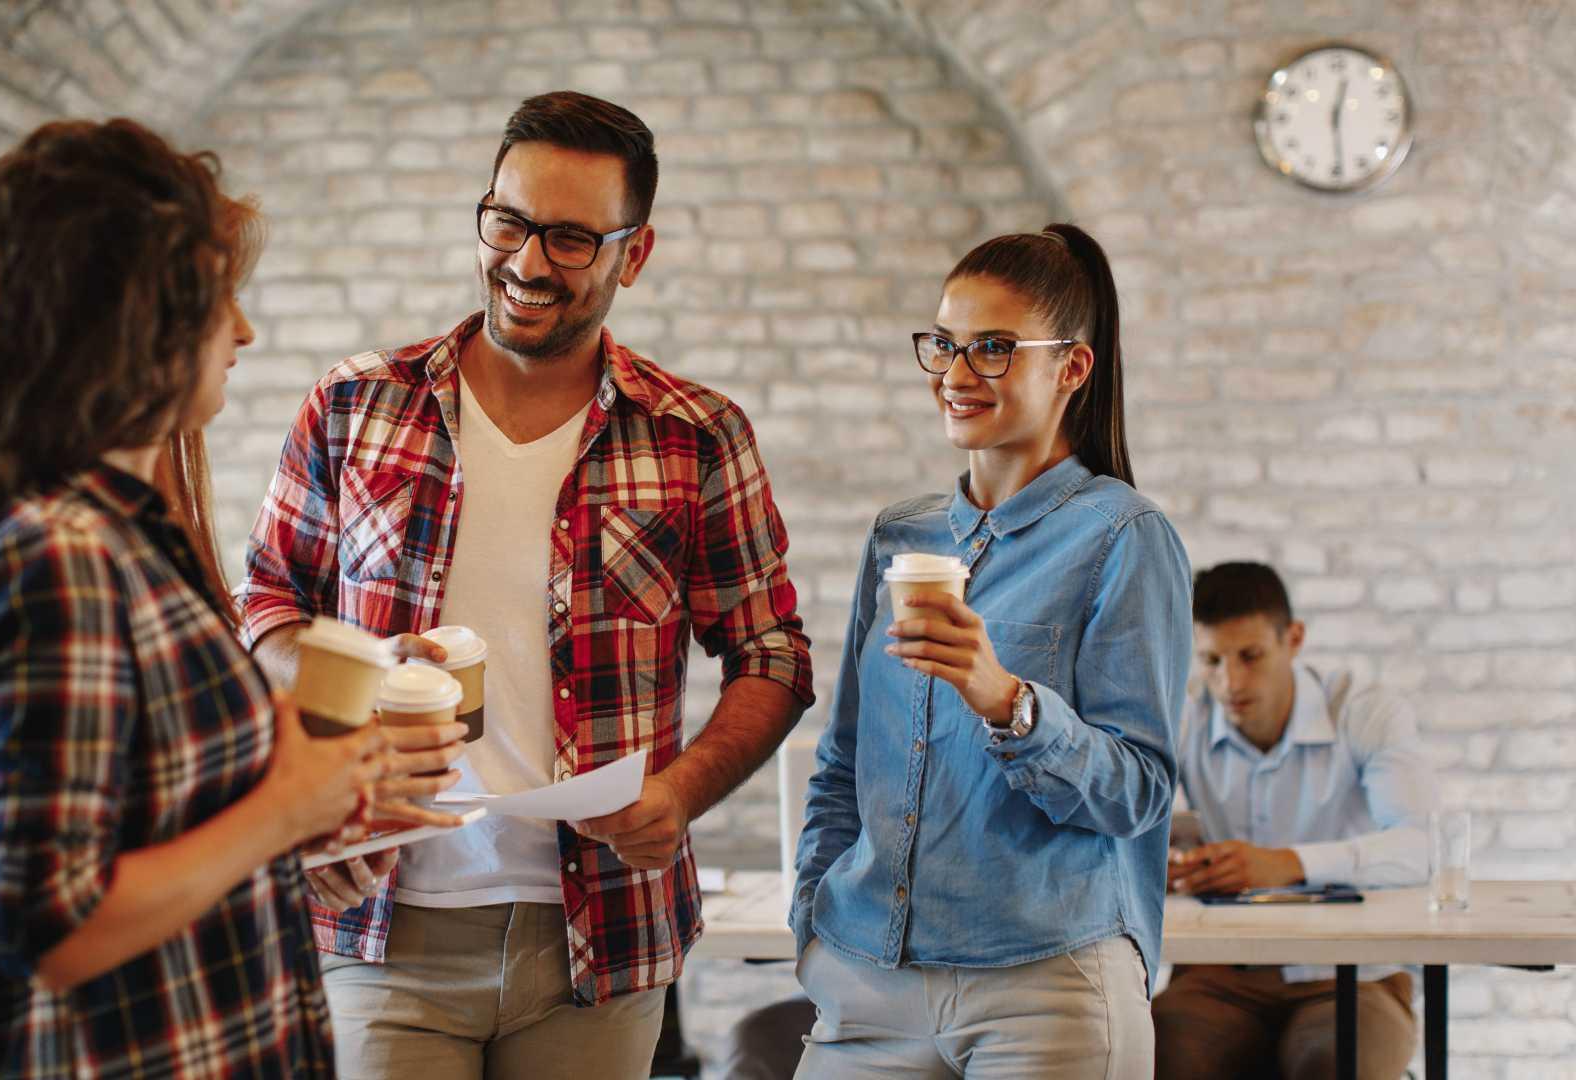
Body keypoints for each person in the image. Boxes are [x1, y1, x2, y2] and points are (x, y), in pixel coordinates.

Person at [236, 90, 814, 1078]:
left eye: (571, 238)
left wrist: (680, 793)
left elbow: (771, 655)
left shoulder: (696, 435)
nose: (528, 262)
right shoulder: (354, 405)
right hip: (379, 920)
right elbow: (267, 605)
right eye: (508, 221)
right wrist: (356, 667)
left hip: (601, 941)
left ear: (635, 254)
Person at [0, 118, 464, 1077]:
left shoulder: (128, 539)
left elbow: (160, 827)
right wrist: (285, 807)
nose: (243, 328)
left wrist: (313, 837)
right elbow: (53, 923)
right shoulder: (59, 558)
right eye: (216, 297)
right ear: (128, 315)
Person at [790, 225, 1190, 1078]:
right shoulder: (901, 535)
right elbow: (846, 758)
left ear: (1071, 368)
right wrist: (813, 923)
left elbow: (1142, 794)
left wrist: (1007, 700)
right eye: (944, 344)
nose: (957, 375)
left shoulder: (1124, 537)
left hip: (1045, 989)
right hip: (867, 979)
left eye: (995, 349)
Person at [1156, 561, 1433, 1080]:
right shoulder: (1185, 717)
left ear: (1295, 638)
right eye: (1211, 660)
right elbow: (1122, 823)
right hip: (1218, 978)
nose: (1229, 681)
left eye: (1250, 656)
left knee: (1331, 1062)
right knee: (1158, 1058)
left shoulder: (1364, 712)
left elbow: (1421, 847)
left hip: (1355, 975)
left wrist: (1287, 863)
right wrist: (1158, 864)